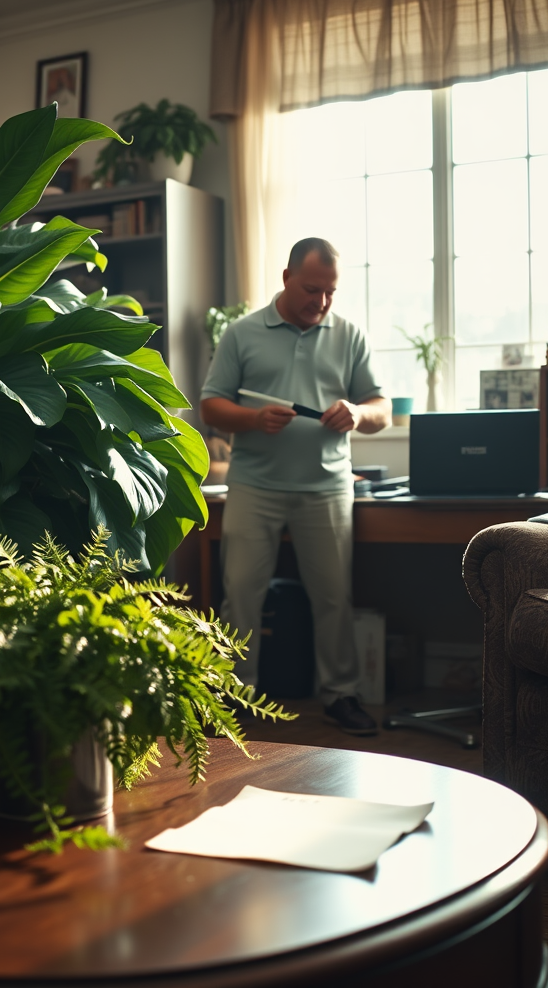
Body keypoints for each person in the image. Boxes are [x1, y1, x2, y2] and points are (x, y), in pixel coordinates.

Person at [200, 237, 391, 735]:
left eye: (330, 292)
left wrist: (358, 412)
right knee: (240, 593)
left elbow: (382, 410)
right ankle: (233, 696)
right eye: (311, 289)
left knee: (333, 596)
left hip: (326, 487)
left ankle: (340, 695)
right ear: (286, 278)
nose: (321, 302)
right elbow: (211, 406)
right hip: (254, 487)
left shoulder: (349, 335)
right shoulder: (242, 334)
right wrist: (251, 418)